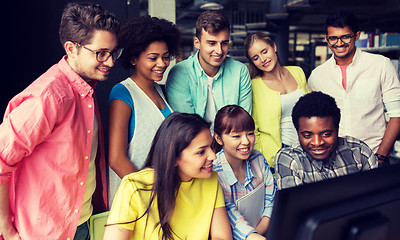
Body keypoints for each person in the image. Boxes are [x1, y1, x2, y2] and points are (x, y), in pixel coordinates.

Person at [0, 2, 121, 239]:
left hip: (82, 224)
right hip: (43, 232)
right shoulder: (48, 97)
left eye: (114, 52)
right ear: (71, 48)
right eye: (101, 53)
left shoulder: (86, 89)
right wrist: (6, 230)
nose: (111, 62)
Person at [103, 113, 232, 240]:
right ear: (173, 158)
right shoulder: (134, 186)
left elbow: (222, 236)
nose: (213, 156)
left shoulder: (211, 180)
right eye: (201, 152)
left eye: (211, 146)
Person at [308, 10, 400, 166]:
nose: (339, 43)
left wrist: (381, 157)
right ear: (326, 39)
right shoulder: (317, 76)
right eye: (333, 38)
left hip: (374, 156)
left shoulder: (381, 65)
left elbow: (397, 114)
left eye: (345, 37)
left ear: (356, 36)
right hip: (332, 161)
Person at [107, 16, 180, 205]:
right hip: (137, 200)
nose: (162, 64)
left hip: (162, 197)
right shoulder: (123, 92)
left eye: (165, 57)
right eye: (153, 58)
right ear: (133, 58)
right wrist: (150, 195)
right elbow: (116, 159)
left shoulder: (160, 90)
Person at [274, 91, 378, 190]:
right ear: (298, 133)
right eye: (307, 135)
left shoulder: (359, 152)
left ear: (337, 129)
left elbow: (376, 196)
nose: (317, 142)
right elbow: (295, 207)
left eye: (326, 134)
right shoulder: (289, 160)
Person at [165, 10, 252, 127]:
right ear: (197, 43)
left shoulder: (240, 71)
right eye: (212, 43)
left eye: (224, 43)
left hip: (232, 143)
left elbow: (242, 124)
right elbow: (187, 128)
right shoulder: (180, 73)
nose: (219, 51)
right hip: (195, 143)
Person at [244, 32, 309, 170]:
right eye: (256, 57)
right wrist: (262, 160)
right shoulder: (254, 86)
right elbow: (253, 128)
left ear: (274, 47)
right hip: (277, 154)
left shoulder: (298, 72)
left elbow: (311, 109)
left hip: (308, 147)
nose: (262, 59)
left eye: (264, 51)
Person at [212, 105, 276, 240]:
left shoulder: (257, 158)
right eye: (236, 136)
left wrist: (258, 233)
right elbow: (231, 217)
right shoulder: (214, 173)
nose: (246, 141)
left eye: (250, 133)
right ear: (218, 139)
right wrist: (253, 236)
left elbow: (271, 199)